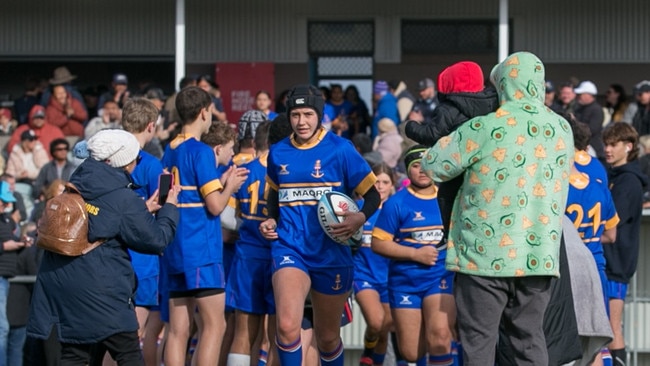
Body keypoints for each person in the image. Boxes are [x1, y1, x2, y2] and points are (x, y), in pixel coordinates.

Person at [421, 51, 574, 365]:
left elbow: (433, 164)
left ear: (503, 85)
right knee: (530, 340)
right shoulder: (563, 129)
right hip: (538, 256)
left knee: (479, 344)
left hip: (483, 256)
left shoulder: (484, 127)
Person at [26, 129, 180, 365]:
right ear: (122, 160)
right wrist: (169, 207)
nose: (136, 163)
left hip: (63, 287)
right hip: (101, 290)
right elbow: (157, 240)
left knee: (76, 354)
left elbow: (97, 219)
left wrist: (142, 211)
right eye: (135, 158)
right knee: (128, 354)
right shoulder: (121, 198)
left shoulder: (75, 185)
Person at [259, 84, 380, 366]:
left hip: (332, 253)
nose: (302, 122)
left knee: (327, 338)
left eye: (308, 114)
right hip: (290, 248)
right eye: (296, 115)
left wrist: (359, 218)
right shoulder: (278, 152)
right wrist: (270, 220)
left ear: (320, 115)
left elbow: (373, 195)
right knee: (288, 326)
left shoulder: (340, 149)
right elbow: (275, 197)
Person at [161, 86, 248, 366]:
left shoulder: (169, 149)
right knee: (215, 326)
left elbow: (176, 194)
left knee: (177, 330)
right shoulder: (200, 151)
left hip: (174, 245)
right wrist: (230, 186)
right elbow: (214, 206)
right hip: (201, 248)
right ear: (204, 112)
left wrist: (220, 185)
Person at [372, 146, 455, 365]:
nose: (422, 170)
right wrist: (415, 254)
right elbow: (378, 244)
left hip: (440, 278)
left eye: (427, 164)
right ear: (408, 170)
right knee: (411, 353)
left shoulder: (449, 198)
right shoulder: (395, 204)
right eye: (416, 165)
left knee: (440, 336)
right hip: (405, 282)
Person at [405, 60, 498, 243]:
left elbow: (432, 135)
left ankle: (448, 235)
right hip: (486, 163)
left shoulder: (449, 108)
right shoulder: (492, 105)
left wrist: (411, 127)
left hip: (458, 163)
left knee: (446, 195)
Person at [225, 122, 280, 366]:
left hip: (248, 256)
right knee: (280, 335)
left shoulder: (242, 171)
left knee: (244, 332)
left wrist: (246, 226)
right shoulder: (286, 173)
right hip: (280, 258)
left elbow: (226, 219)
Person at [120, 98, 167, 366]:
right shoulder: (151, 165)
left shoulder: (103, 160)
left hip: (110, 258)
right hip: (143, 262)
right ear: (151, 126)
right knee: (132, 337)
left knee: (113, 338)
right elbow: (161, 208)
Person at [601, 122, 648, 366]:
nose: (607, 149)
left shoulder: (628, 182)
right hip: (606, 263)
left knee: (611, 327)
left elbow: (612, 223)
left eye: (613, 144)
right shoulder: (611, 177)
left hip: (616, 267)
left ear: (628, 147)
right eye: (605, 144)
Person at [354, 163, 395, 366]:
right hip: (363, 275)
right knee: (376, 322)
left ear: (392, 185)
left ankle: (373, 361)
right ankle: (368, 350)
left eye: (385, 182)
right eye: (377, 181)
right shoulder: (360, 210)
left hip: (389, 278)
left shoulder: (396, 209)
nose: (380, 186)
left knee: (385, 330)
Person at [0, 180, 33, 366]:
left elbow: (11, 240)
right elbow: (5, 244)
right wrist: (5, 246)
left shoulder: (4, 220)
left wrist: (21, 243)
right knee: (2, 328)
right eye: (2, 201)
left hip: (5, 277)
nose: (6, 205)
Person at [573, 80, 605, 160]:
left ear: (590, 95)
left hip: (593, 147)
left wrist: (576, 125)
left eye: (581, 94)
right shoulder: (579, 108)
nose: (579, 97)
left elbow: (593, 129)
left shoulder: (596, 109)